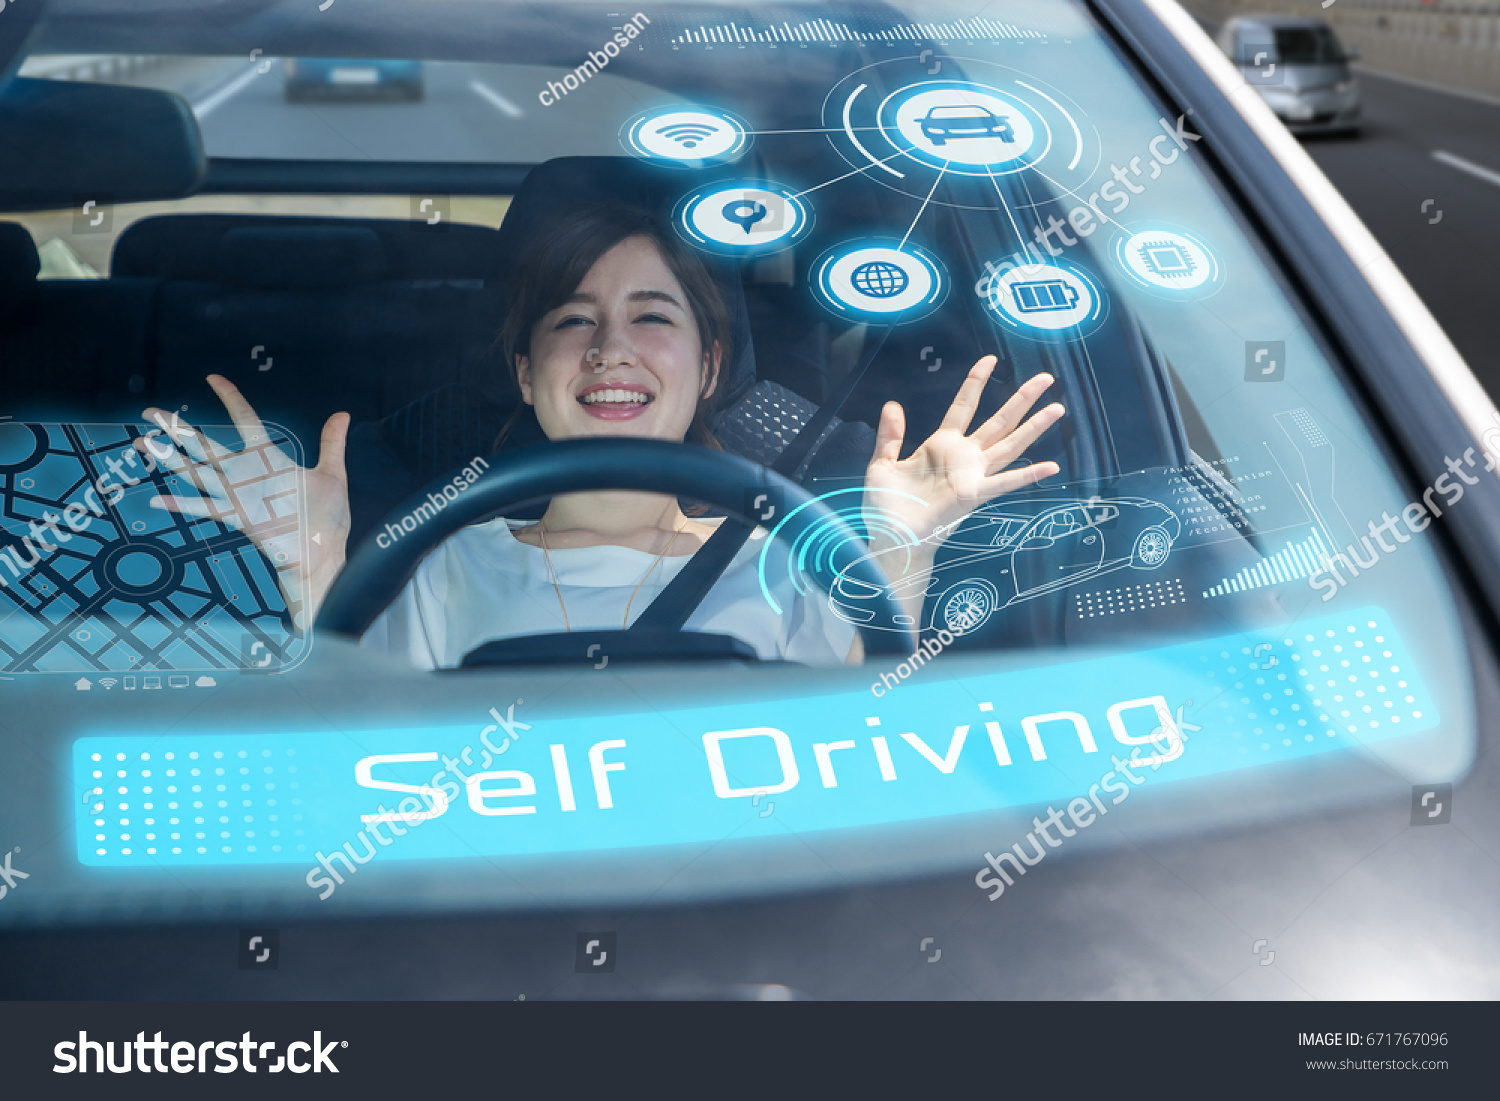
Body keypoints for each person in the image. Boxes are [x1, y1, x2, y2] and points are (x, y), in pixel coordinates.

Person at [140, 204, 1065, 668]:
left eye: (651, 317)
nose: (611, 349)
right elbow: (356, 765)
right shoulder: (442, 561)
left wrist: (903, 546)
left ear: (708, 368)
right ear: (523, 373)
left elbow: (864, 749)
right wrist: (316, 572)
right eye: (573, 321)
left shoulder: (788, 560)